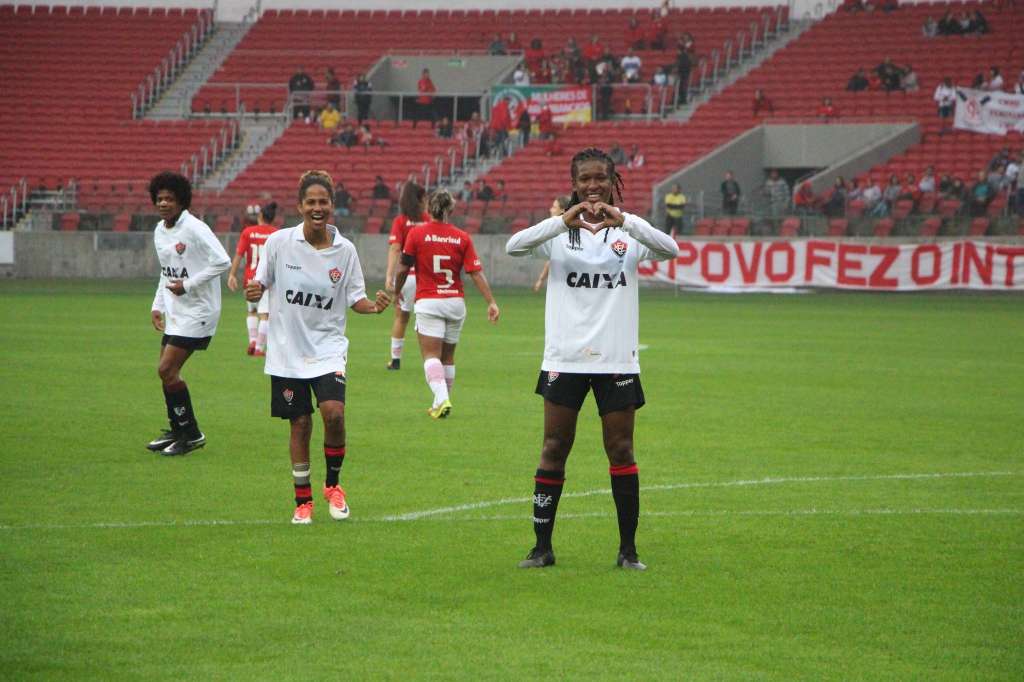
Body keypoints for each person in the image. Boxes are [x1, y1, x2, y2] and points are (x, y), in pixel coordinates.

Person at [505, 147, 679, 571]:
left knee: (621, 450)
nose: (594, 186)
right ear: (574, 183)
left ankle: (628, 551)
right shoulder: (560, 234)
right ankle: (541, 547)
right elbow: (513, 247)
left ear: (613, 180)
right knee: (554, 447)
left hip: (616, 361)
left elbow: (671, 249)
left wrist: (629, 221)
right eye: (585, 179)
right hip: (564, 358)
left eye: (601, 178)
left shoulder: (629, 236)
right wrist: (559, 221)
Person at [244, 170, 391, 524]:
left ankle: (333, 486)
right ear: (300, 206)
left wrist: (373, 306)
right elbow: (260, 281)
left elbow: (356, 298)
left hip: (327, 348)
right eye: (310, 202)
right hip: (287, 353)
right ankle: (303, 500)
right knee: (300, 423)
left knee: (334, 414)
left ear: (332, 206)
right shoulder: (279, 243)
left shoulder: (345, 251)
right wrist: (254, 290)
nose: (317, 207)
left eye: (323, 201)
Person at [393, 189, 500, 418]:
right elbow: (475, 272)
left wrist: (396, 290)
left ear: (428, 208)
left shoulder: (416, 234)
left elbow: (403, 267)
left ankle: (442, 399)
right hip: (455, 302)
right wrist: (491, 301)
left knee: (431, 355)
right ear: (450, 210)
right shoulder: (462, 237)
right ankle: (440, 403)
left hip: (429, 301)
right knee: (448, 357)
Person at [146, 171, 231, 456]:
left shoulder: (195, 228)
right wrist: (157, 304)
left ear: (182, 201)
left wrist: (190, 285)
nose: (164, 203)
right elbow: (166, 271)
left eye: (170, 198)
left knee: (166, 369)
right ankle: (178, 428)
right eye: (159, 199)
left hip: (199, 311)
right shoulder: (160, 230)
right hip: (176, 310)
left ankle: (191, 433)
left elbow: (222, 261)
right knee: (167, 373)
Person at [384, 182, 428, 371]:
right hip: (427, 277)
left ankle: (395, 360)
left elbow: (395, 249)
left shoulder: (400, 221)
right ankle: (430, 358)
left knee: (401, 317)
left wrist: (389, 276)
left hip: (407, 276)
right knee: (426, 318)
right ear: (420, 199)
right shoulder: (429, 220)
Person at [228, 201, 278, 357]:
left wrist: (232, 274)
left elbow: (239, 254)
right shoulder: (276, 234)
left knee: (252, 311)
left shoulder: (248, 232)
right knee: (265, 315)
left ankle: (252, 340)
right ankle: (259, 348)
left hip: (250, 279)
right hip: (266, 281)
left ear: (261, 216)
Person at [532, 195, 571, 292]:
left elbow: (552, 260)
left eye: (554, 207)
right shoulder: (557, 232)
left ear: (562, 210)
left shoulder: (562, 234)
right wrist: (541, 279)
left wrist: (540, 280)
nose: (551, 210)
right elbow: (551, 259)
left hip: (567, 283)